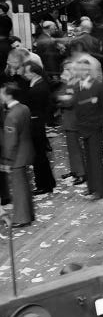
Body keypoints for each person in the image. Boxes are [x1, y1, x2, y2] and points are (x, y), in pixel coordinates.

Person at [71, 58, 103, 200]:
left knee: (95, 160)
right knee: (88, 160)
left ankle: (98, 191)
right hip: (82, 127)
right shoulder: (77, 86)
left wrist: (99, 123)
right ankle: (91, 188)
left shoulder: (99, 86)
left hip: (94, 128)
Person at [0, 82, 34, 227]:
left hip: (17, 156)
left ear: (8, 95)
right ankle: (28, 214)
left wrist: (6, 161)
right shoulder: (24, 108)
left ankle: (22, 218)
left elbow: (10, 143)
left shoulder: (11, 116)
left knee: (19, 187)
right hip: (26, 151)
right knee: (24, 186)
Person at [23, 61, 56, 195]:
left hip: (36, 123)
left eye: (26, 72)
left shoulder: (38, 88)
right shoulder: (38, 84)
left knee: (38, 155)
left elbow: (40, 107)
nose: (25, 74)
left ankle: (43, 184)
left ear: (33, 73)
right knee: (40, 154)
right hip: (38, 122)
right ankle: (48, 182)